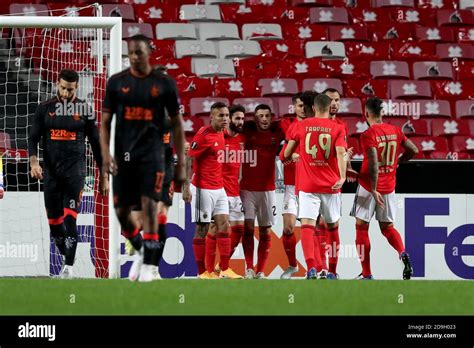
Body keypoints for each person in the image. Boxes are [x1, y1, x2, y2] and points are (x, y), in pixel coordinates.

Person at [100, 34, 186, 282]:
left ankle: (150, 266)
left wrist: (181, 164)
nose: (134, 57)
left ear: (148, 52)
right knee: (121, 211)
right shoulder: (116, 82)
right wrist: (106, 154)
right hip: (123, 157)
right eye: (130, 53)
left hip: (153, 155)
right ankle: (139, 248)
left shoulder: (164, 84)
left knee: (150, 205)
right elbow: (105, 122)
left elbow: (178, 125)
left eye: (138, 52)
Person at [28, 68, 108, 279]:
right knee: (55, 226)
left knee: (70, 220)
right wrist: (34, 162)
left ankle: (68, 268)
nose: (65, 93)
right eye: (63, 88)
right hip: (51, 175)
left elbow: (97, 146)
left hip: (75, 174)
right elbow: (33, 138)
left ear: (76, 87)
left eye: (70, 90)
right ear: (57, 84)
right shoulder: (44, 109)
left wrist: (103, 177)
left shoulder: (85, 110)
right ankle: (67, 260)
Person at [350, 97, 417, 280]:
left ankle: (367, 273)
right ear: (382, 113)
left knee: (361, 228)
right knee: (388, 228)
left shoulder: (368, 134)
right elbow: (414, 150)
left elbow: (372, 161)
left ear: (366, 113)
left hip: (368, 187)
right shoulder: (395, 130)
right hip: (389, 187)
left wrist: (372, 188)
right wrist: (398, 162)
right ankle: (403, 253)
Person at [284, 94, 347, 279]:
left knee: (307, 227)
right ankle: (332, 272)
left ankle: (311, 268)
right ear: (329, 108)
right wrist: (342, 177)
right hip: (331, 185)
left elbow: (286, 153)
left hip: (307, 185)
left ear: (313, 107)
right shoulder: (338, 127)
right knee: (332, 227)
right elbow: (341, 152)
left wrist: (297, 155)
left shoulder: (301, 125)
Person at [183, 102, 240, 279]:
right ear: (212, 117)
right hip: (202, 189)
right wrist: (185, 186)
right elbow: (188, 158)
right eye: (221, 116)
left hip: (219, 187)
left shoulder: (222, 132)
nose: (225, 119)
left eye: (226, 115)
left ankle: (224, 269)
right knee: (202, 228)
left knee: (224, 226)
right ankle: (202, 273)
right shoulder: (203, 135)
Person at [240, 104, 284, 279]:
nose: (264, 119)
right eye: (260, 116)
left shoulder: (277, 134)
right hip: (247, 189)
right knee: (248, 228)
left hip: (268, 190)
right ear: (255, 117)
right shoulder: (246, 132)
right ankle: (249, 268)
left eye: (267, 115)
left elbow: (290, 125)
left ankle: (261, 271)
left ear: (271, 117)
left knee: (266, 230)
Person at [278, 92, 306, 279]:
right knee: (288, 228)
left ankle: (319, 268)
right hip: (290, 186)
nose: (302, 109)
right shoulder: (289, 126)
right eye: (299, 105)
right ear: (294, 107)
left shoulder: (315, 126)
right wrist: (290, 155)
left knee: (314, 229)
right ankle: (292, 266)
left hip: (310, 185)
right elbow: (283, 154)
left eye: (305, 105)